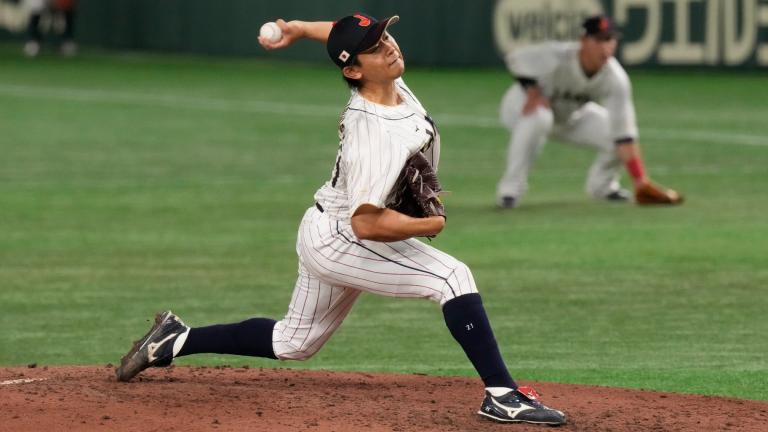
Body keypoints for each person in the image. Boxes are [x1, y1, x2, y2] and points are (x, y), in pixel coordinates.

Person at [115, 13, 567, 426]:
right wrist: (426, 226)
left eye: (385, 36)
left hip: (325, 226)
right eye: (375, 47)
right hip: (343, 239)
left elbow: (341, 31)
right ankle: (502, 394)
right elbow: (367, 223)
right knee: (452, 277)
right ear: (354, 71)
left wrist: (297, 27)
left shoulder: (386, 82)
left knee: (294, 342)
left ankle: (174, 339)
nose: (389, 46)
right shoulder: (373, 134)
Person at [496, 15, 683, 209]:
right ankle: (509, 191)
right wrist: (532, 89)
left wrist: (640, 180)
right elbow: (514, 58)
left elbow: (625, 135)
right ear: (584, 41)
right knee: (540, 117)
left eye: (610, 39)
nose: (605, 46)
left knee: (615, 136)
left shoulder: (616, 78)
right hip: (521, 106)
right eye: (599, 39)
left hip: (569, 116)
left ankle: (602, 186)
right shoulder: (558, 55)